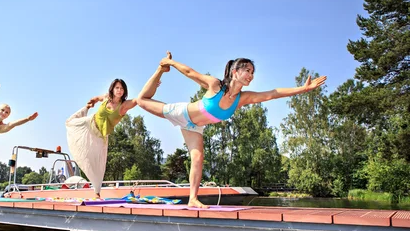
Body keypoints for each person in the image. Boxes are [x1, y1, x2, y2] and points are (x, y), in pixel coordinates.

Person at [136, 52, 327, 208]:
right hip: (182, 113)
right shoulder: (215, 85)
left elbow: (272, 94)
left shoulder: (242, 98)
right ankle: (160, 70)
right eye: (247, 70)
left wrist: (301, 89)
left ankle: (193, 199)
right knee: (141, 101)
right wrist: (169, 62)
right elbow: (189, 72)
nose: (251, 75)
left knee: (198, 157)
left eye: (253, 72)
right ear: (235, 71)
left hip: (195, 127)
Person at [66, 79, 137, 198]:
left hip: (101, 135)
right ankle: (85, 110)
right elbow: (97, 98)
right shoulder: (106, 98)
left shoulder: (123, 106)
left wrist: (154, 86)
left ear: (124, 91)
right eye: (117, 88)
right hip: (89, 124)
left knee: (98, 163)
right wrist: (91, 102)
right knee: (69, 123)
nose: (119, 90)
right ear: (113, 89)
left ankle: (97, 192)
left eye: (122, 89)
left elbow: (138, 100)